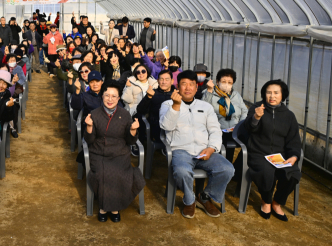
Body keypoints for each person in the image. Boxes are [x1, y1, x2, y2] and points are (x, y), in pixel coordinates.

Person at [159, 70, 234, 219]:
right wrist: (176, 106)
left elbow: (215, 130)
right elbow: (166, 126)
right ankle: (189, 200)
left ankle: (205, 196)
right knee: (181, 171)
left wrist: (211, 148)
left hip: (204, 150)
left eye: (191, 84)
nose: (187, 88)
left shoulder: (205, 106)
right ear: (177, 87)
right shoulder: (167, 104)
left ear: (196, 87)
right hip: (181, 150)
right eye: (183, 84)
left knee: (227, 169)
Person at [85, 85, 145, 222]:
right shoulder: (94, 114)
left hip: (120, 153)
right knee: (102, 174)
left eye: (114, 96)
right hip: (99, 153)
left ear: (118, 99)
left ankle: (114, 208)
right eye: (107, 95)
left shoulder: (125, 114)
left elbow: (130, 141)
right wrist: (89, 126)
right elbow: (89, 140)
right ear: (102, 97)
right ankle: (104, 208)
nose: (110, 99)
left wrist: (133, 130)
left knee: (120, 174)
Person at [245, 80, 302, 221]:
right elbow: (247, 129)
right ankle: (266, 201)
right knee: (266, 171)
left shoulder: (289, 116)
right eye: (268, 92)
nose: (272, 96)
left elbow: (294, 140)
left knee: (293, 173)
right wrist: (256, 118)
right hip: (258, 152)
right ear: (264, 94)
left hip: (279, 156)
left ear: (283, 95)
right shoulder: (257, 108)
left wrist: (294, 156)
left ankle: (277, 203)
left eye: (276, 93)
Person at [135, 69, 174, 143]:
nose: (164, 82)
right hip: (157, 127)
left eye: (167, 79)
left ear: (172, 81)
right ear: (158, 81)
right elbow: (140, 110)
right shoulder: (152, 93)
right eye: (161, 79)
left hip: (174, 127)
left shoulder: (176, 94)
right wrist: (148, 97)